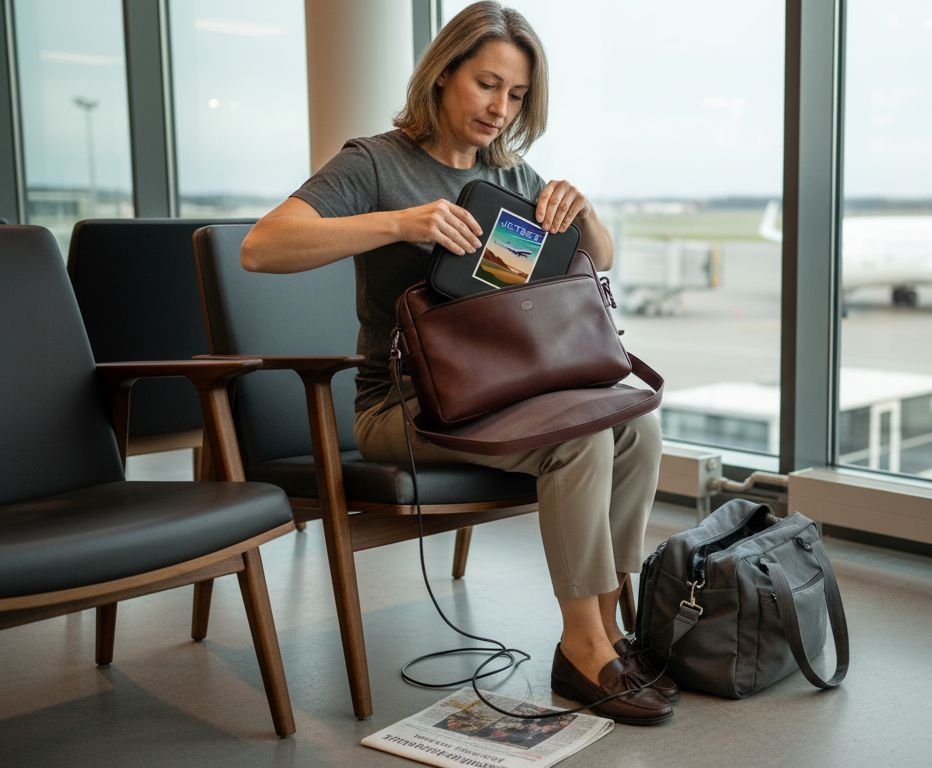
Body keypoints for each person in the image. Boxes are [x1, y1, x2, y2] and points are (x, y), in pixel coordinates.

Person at [241, 1, 673, 725]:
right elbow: (263, 246)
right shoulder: (375, 163)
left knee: (638, 428)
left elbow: (594, 263)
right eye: (486, 84)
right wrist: (399, 223)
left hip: (503, 391)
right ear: (441, 76)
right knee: (582, 438)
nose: (500, 108)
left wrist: (583, 211)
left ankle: (608, 630)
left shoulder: (512, 172)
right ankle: (581, 647)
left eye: (516, 95)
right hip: (403, 407)